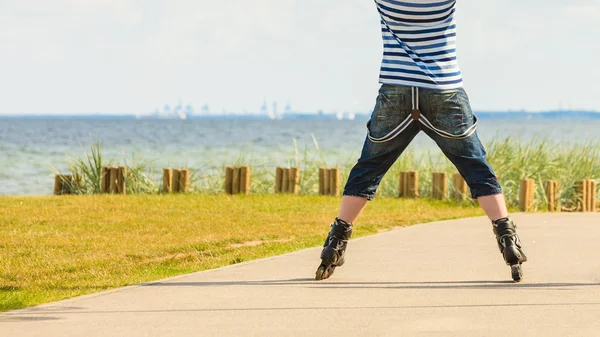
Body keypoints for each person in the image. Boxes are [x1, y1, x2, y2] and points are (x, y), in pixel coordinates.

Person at [315, 0, 527, 282]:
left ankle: (335, 242)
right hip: (444, 90)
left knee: (369, 167)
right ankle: (506, 238)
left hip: (396, 89)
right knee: (475, 166)